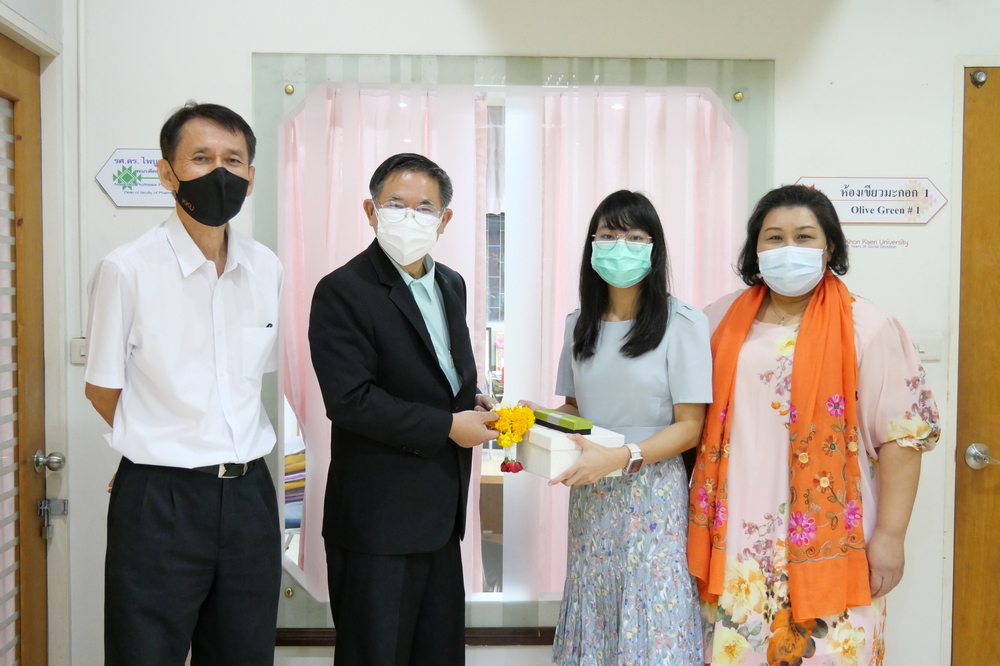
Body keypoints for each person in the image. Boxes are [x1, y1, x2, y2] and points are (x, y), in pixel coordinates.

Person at [688, 185, 940, 665]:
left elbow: (903, 437)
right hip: (736, 536)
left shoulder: (868, 325)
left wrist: (890, 537)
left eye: (804, 236)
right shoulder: (717, 319)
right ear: (755, 249)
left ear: (830, 247)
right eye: (774, 237)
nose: (789, 248)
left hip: (833, 537)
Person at [84, 102, 283, 665]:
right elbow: (101, 389)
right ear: (167, 174)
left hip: (249, 497)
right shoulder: (127, 269)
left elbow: (246, 386)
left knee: (245, 654)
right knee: (145, 654)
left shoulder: (265, 267)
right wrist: (156, 446)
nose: (220, 172)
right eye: (201, 158)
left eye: (233, 160)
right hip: (159, 502)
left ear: (250, 175)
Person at [308, 153, 498, 665]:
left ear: (445, 219)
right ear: (371, 211)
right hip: (378, 521)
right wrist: (448, 426)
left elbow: (440, 371)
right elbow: (350, 400)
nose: (410, 217)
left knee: (438, 653)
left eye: (425, 207)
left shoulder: (451, 284)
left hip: (441, 515)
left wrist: (471, 400)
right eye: (396, 204)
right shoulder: (342, 291)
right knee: (377, 653)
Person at [524, 190, 712, 665]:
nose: (620, 246)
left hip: (653, 491)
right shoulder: (578, 324)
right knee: (596, 601)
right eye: (608, 235)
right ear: (592, 246)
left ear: (654, 248)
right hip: (592, 488)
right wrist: (535, 419)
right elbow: (575, 408)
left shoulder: (683, 322)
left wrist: (623, 457)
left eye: (635, 236)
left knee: (653, 609)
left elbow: (691, 426)